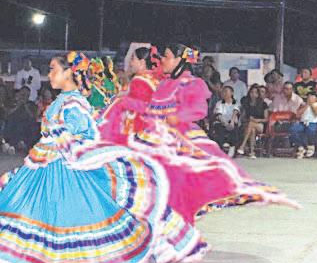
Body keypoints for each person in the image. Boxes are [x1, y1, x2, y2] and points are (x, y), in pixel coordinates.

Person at [0, 52, 204, 263]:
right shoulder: (64, 100)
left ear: (69, 73)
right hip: (50, 164)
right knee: (39, 212)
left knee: (80, 219)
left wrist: (62, 139)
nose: (50, 74)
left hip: (67, 168)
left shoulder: (73, 102)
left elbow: (86, 134)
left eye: (53, 69)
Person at [115, 45, 297, 232]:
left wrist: (176, 117)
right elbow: (149, 107)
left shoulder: (192, 83)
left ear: (179, 60)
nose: (162, 60)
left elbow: (198, 109)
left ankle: (175, 222)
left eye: (167, 56)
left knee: (189, 179)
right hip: (154, 136)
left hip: (179, 137)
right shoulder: (164, 83)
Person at [237, 84, 269, 157]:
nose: (253, 94)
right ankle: (252, 152)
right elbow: (243, 117)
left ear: (258, 94)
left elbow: (266, 119)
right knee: (252, 129)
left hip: (260, 125)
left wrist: (257, 120)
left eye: (256, 92)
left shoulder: (263, 104)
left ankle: (242, 146)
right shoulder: (246, 103)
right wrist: (249, 119)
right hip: (248, 124)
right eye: (252, 92)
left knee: (251, 124)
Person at [209, 85, 241, 156]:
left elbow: (235, 112)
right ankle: (221, 148)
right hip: (222, 121)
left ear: (232, 93)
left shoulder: (236, 102)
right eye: (223, 92)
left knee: (234, 127)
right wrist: (226, 124)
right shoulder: (219, 103)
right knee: (218, 127)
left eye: (226, 91)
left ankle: (232, 147)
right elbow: (219, 114)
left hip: (231, 121)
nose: (224, 93)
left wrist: (231, 122)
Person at [289, 92, 317, 158]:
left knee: (310, 129)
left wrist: (311, 104)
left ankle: (311, 146)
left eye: (311, 97)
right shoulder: (304, 105)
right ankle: (301, 146)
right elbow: (297, 115)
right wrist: (307, 105)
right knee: (293, 129)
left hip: (313, 123)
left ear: (316, 98)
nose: (309, 98)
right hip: (302, 122)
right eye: (308, 97)